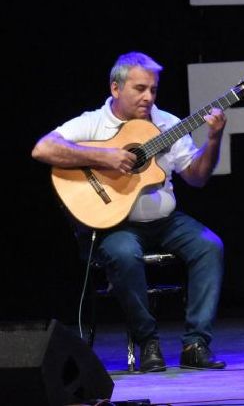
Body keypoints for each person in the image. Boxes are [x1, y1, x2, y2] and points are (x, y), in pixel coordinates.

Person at [32, 52, 227, 372]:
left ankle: (195, 344)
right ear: (116, 89)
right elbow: (43, 148)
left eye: (153, 89)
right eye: (140, 89)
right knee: (123, 254)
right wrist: (105, 157)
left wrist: (214, 138)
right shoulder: (94, 122)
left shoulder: (168, 124)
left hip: (166, 221)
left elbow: (197, 177)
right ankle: (147, 341)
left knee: (210, 246)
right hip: (117, 225)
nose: (148, 97)